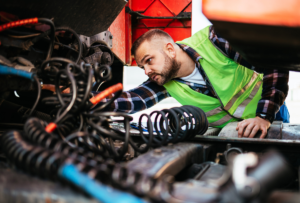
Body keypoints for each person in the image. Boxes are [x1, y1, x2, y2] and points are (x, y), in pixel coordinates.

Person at [96, 25, 289, 139]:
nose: (147, 71)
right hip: (236, 135)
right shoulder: (164, 80)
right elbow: (133, 99)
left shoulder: (214, 40)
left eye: (149, 60)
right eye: (142, 67)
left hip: (271, 117)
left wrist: (264, 116)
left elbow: (273, 62)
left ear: (170, 49)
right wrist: (87, 103)